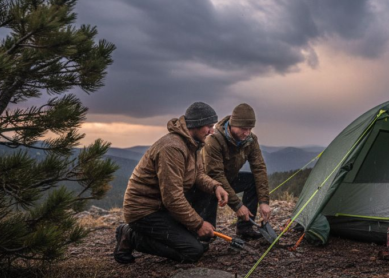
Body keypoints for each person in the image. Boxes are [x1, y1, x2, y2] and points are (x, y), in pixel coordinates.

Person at [113, 102, 229, 264]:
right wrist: (198, 224)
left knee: (206, 191)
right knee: (192, 252)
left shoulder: (193, 144)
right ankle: (129, 235)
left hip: (162, 207)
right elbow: (172, 198)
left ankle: (193, 236)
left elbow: (197, 175)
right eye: (208, 126)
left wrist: (215, 186)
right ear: (195, 125)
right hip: (145, 212)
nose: (212, 131)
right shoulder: (172, 148)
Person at [203, 103, 271, 240]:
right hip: (207, 184)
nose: (247, 133)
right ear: (232, 124)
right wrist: (238, 205)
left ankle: (245, 228)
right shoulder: (214, 140)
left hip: (229, 179)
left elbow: (259, 167)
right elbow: (215, 175)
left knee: (252, 180)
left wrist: (264, 201)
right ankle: (208, 234)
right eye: (243, 128)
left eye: (250, 129)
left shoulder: (250, 140)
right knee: (211, 193)